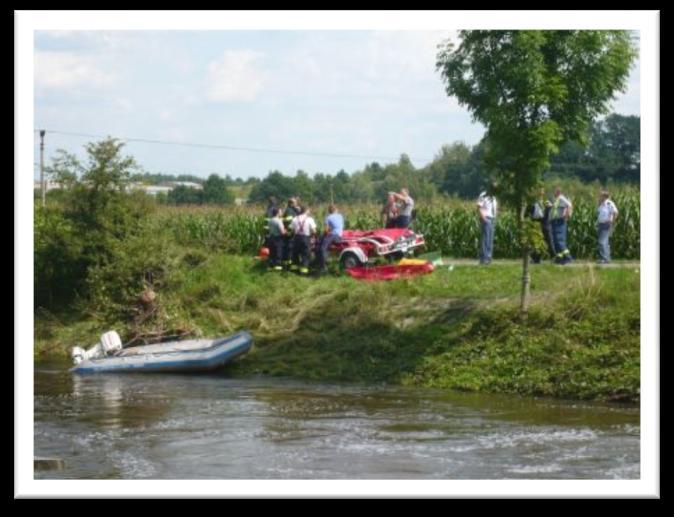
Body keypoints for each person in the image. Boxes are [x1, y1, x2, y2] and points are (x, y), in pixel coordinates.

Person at [529, 188, 555, 263]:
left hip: (545, 222)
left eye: (542, 191)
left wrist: (549, 207)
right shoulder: (533, 202)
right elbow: (529, 212)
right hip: (536, 222)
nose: (540, 192)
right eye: (539, 190)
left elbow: (551, 210)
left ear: (543, 192)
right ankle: (536, 258)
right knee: (537, 241)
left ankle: (553, 256)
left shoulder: (547, 201)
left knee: (548, 240)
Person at [317, 204, 344, 274]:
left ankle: (323, 266)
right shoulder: (340, 216)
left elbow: (326, 230)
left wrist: (323, 235)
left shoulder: (328, 218)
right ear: (336, 210)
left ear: (329, 211)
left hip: (334, 235)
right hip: (339, 235)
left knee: (322, 248)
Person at [290, 206, 317, 275]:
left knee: (295, 253)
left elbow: (292, 230)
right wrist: (312, 237)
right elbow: (314, 231)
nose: (309, 212)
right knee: (305, 254)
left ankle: (294, 269)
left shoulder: (295, 218)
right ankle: (303, 271)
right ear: (306, 211)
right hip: (305, 238)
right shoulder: (310, 219)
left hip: (296, 238)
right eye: (309, 211)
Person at [550, 186, 573, 264]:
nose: (554, 193)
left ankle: (568, 257)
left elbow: (569, 205)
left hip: (560, 221)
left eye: (555, 191)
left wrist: (566, 214)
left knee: (560, 240)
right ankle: (559, 258)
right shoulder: (556, 199)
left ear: (558, 192)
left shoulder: (561, 198)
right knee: (556, 241)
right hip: (555, 221)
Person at [597, 190, 619, 264]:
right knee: (605, 242)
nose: (599, 196)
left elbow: (615, 212)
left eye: (600, 195)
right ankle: (607, 258)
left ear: (604, 196)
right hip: (601, 224)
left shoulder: (609, 203)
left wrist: (611, 221)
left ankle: (604, 258)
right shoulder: (601, 204)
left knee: (602, 241)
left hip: (606, 224)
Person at [477, 190, 497, 264]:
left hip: (492, 219)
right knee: (485, 239)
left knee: (490, 240)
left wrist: (495, 218)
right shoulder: (484, 195)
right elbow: (479, 206)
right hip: (486, 218)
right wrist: (483, 218)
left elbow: (494, 208)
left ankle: (488, 258)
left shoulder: (494, 197)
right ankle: (483, 258)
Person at [281, 197, 301, 269]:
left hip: (290, 233)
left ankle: (287, 264)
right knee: (289, 249)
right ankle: (288, 265)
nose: (296, 204)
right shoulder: (289, 211)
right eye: (295, 202)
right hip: (290, 234)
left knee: (289, 249)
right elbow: (289, 223)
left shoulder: (291, 210)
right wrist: (291, 231)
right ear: (291, 203)